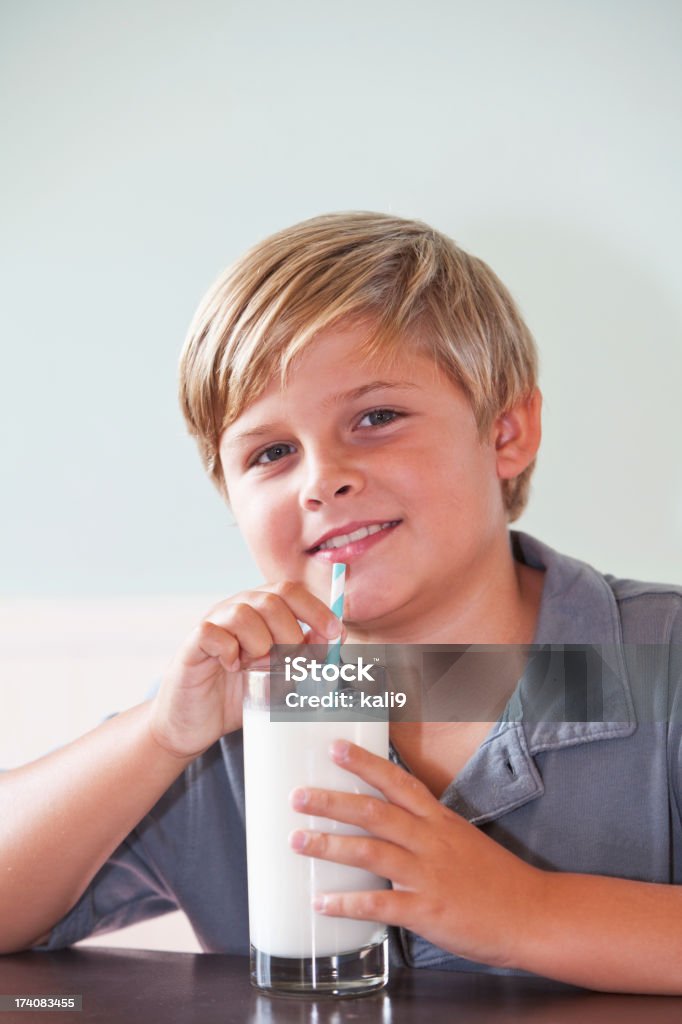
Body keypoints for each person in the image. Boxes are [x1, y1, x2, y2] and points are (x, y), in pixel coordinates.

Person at [1, 212, 680, 994]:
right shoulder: (241, 712)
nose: (321, 479)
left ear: (505, 433)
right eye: (271, 453)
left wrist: (528, 911)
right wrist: (159, 737)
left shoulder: (656, 660)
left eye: (377, 417)